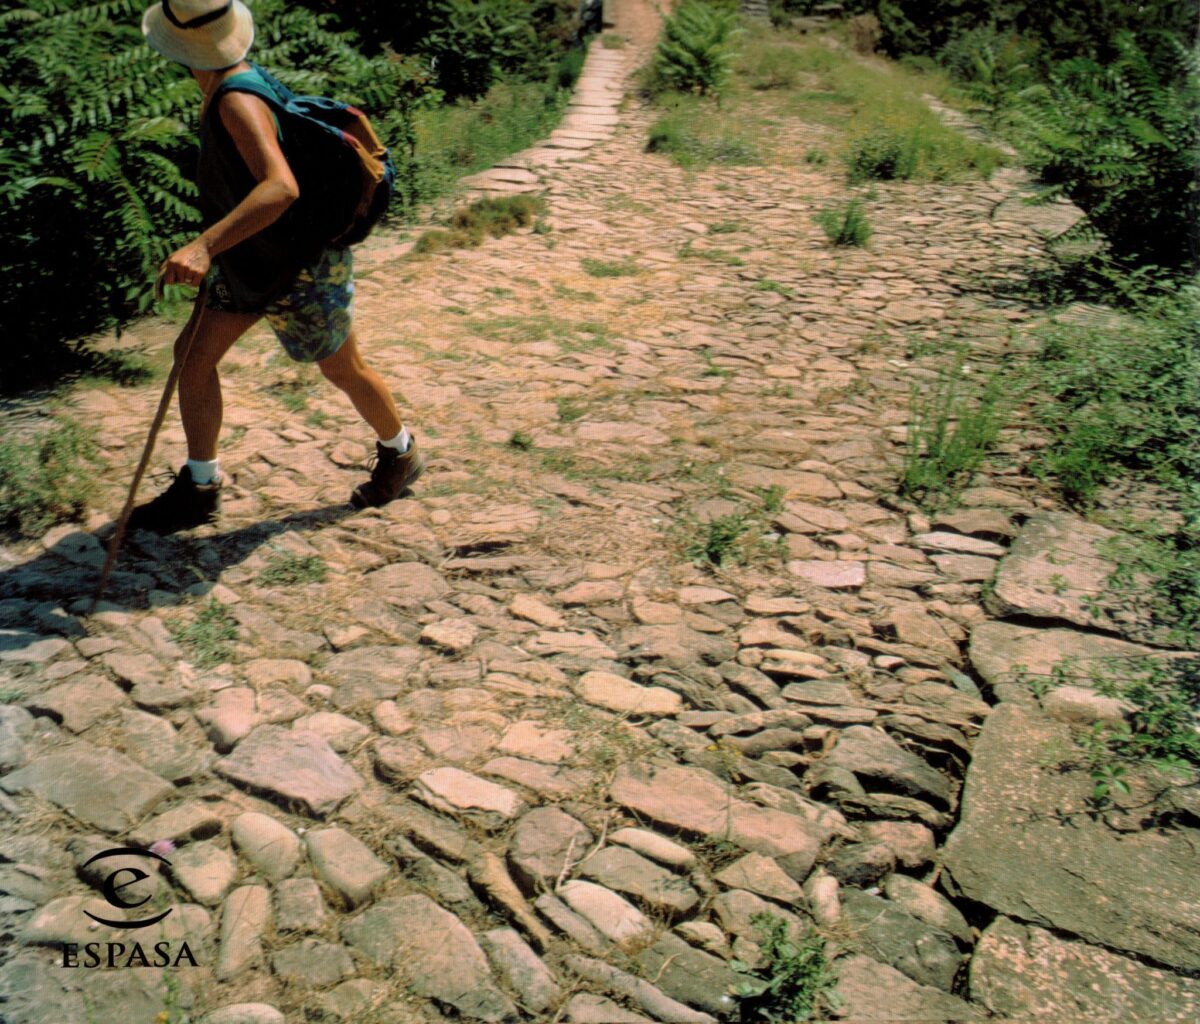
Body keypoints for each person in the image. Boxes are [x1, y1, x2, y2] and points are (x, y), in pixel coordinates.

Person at [130, 0, 424, 534]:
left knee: (342, 368)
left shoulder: (235, 100)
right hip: (251, 261)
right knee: (192, 358)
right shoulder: (227, 84)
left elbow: (281, 187)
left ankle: (400, 453)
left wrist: (202, 247)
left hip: (299, 265)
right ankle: (200, 487)